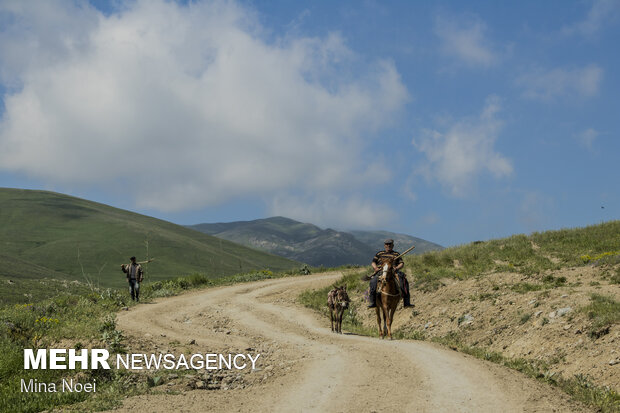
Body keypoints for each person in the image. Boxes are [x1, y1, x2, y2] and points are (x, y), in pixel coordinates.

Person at [368, 239, 413, 308]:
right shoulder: (379, 254)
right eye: (386, 244)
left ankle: (406, 302)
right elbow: (373, 262)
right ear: (384, 245)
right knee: (373, 282)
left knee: (403, 281)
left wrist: (397, 268)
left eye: (390, 244)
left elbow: (401, 263)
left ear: (393, 245)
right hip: (381, 272)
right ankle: (373, 302)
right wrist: (376, 268)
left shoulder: (396, 254)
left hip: (393, 272)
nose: (388, 245)